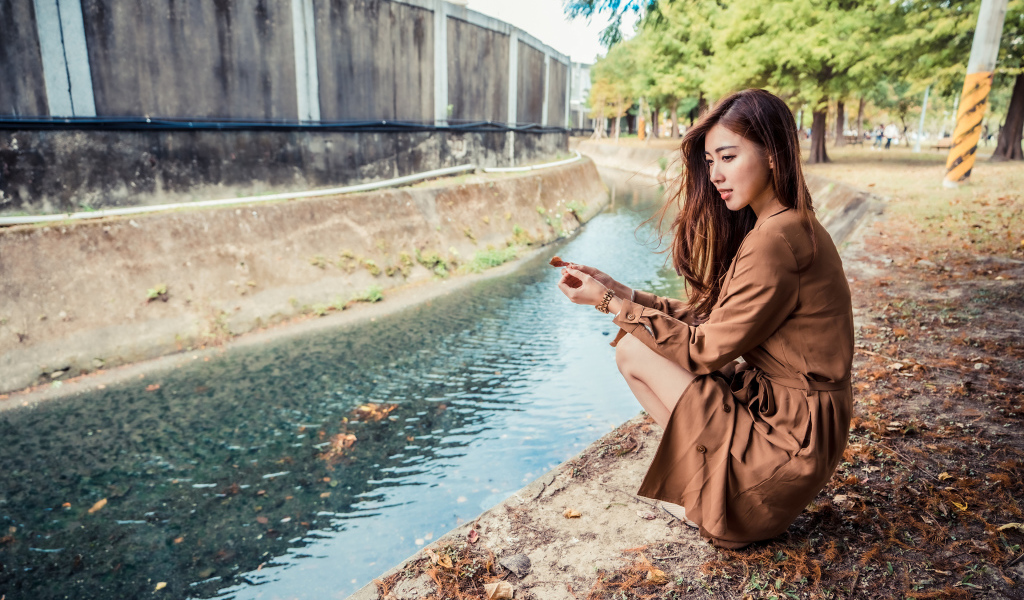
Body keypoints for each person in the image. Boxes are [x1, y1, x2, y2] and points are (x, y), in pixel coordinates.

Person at [556, 88, 853, 549]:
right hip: (798, 432)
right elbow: (714, 318)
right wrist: (623, 292)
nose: (715, 175)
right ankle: (705, 486)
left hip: (788, 446)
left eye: (728, 157)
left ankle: (715, 500)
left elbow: (703, 349)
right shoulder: (787, 224)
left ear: (773, 155)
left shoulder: (776, 238)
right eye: (710, 161)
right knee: (640, 343)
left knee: (635, 348)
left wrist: (607, 305)